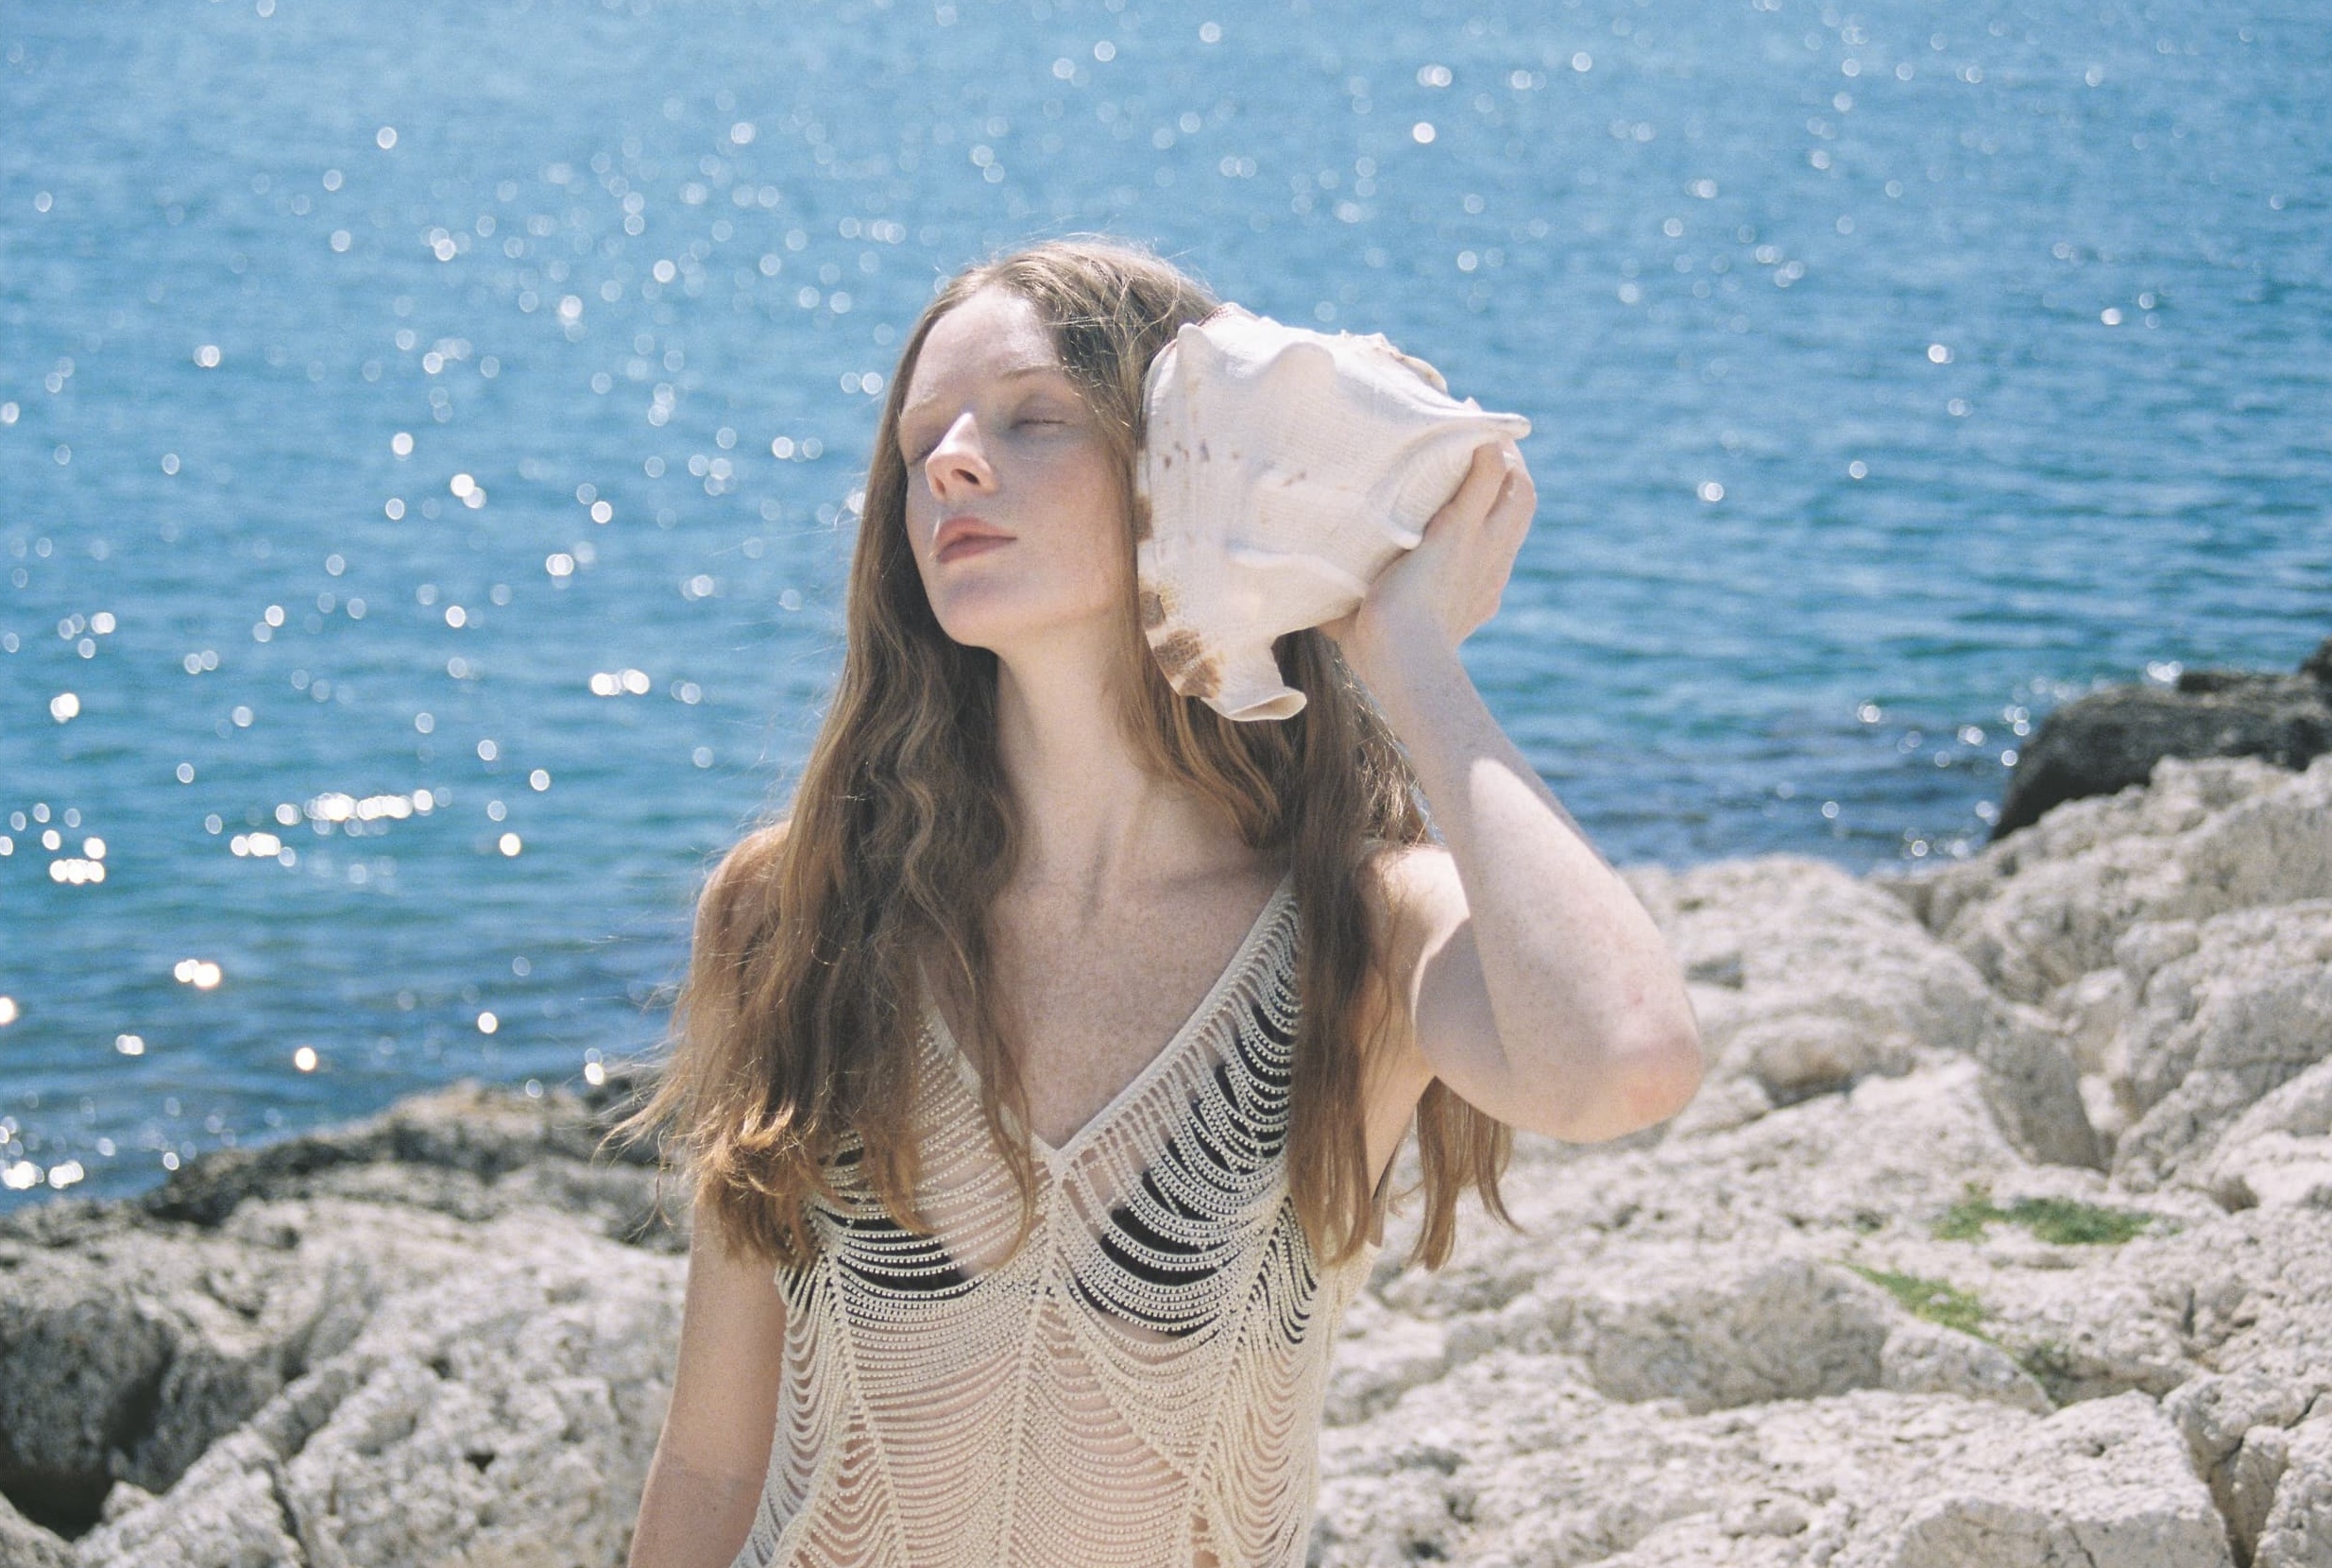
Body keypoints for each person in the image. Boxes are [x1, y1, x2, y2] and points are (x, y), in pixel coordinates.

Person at [611, 234, 1702, 1568]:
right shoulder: (801, 905)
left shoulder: (1363, 927)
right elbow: (714, 1457)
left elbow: (1626, 1061)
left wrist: (1402, 648)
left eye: (1035, 419)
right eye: (921, 443)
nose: (952, 463)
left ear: (1192, 463)